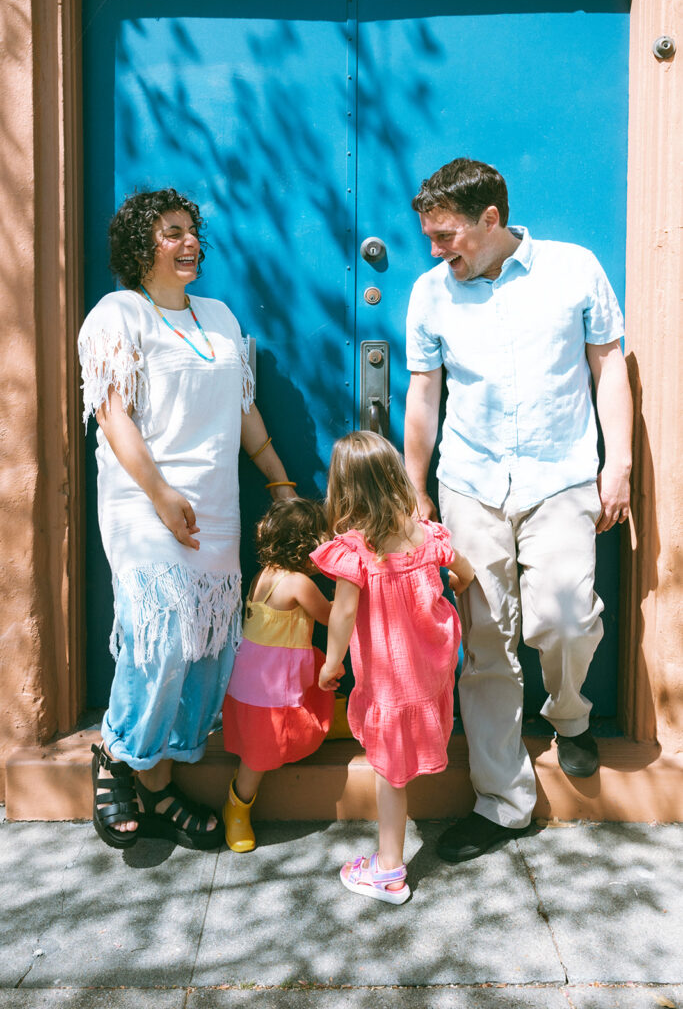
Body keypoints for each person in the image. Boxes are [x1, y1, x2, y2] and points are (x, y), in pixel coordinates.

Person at [403, 158, 633, 864]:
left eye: (446, 236)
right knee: (484, 644)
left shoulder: (573, 270)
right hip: (469, 483)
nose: (436, 250)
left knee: (563, 618)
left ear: (490, 221)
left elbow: (607, 367)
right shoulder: (429, 293)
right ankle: (502, 802)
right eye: (430, 237)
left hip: (561, 477)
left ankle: (568, 715)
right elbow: (423, 396)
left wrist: (616, 464)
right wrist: (415, 490)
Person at [79, 188, 297, 851]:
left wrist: (278, 480)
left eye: (191, 232)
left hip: (215, 511)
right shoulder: (119, 314)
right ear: (141, 247)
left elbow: (242, 412)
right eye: (172, 233)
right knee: (158, 640)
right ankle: (118, 757)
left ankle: (157, 782)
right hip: (144, 506)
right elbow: (113, 417)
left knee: (203, 656)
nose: (188, 243)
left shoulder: (220, 318)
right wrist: (160, 493)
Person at [311, 432, 474, 904]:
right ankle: (387, 865)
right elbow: (464, 567)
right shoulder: (423, 533)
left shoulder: (358, 549)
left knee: (391, 776)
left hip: (390, 683)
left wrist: (331, 664)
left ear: (345, 490)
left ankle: (388, 871)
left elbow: (342, 614)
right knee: (399, 766)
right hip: (428, 670)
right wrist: (460, 582)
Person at [221, 497, 334, 852]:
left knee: (319, 672)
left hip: (256, 680)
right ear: (307, 548)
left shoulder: (263, 575)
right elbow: (332, 616)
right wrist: (353, 586)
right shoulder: (299, 584)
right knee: (257, 757)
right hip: (269, 690)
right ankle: (236, 808)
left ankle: (334, 718)